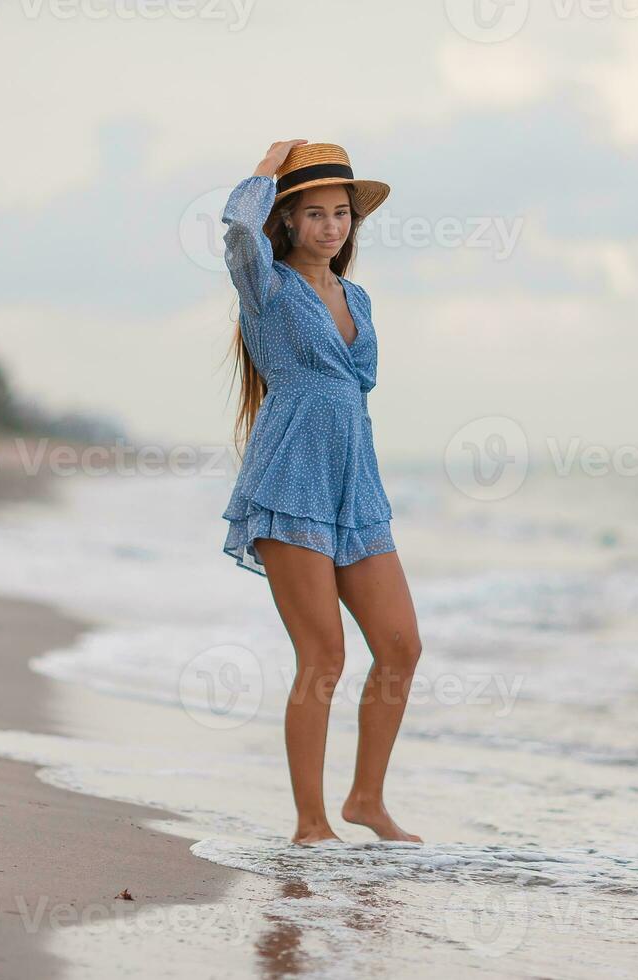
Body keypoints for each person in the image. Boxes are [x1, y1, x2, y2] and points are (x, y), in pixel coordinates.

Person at [220, 140, 424, 845]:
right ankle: (310, 823)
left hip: (355, 484)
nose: (332, 227)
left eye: (341, 214)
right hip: (291, 478)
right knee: (325, 656)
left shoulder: (357, 296)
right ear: (288, 221)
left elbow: (352, 388)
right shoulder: (267, 286)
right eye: (315, 214)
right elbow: (238, 232)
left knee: (400, 645)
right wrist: (265, 169)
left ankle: (367, 800)